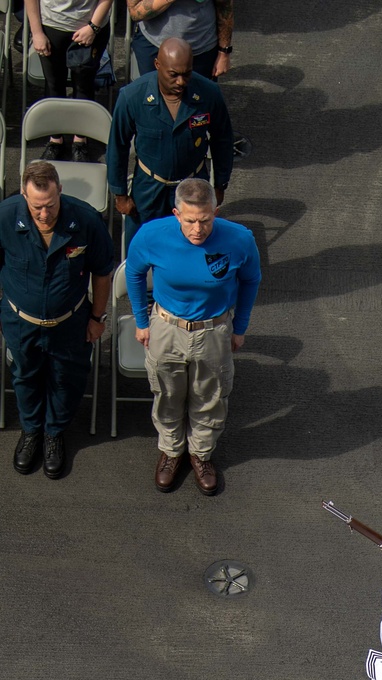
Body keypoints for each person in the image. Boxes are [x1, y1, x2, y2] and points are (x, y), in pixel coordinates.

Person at [126, 176, 260, 495]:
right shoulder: (151, 235)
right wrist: (142, 321)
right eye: (190, 221)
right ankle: (172, 451)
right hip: (166, 327)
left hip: (213, 329)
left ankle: (200, 454)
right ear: (176, 214)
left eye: (205, 220)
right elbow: (133, 272)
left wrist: (239, 328)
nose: (197, 229)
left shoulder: (240, 239)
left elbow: (251, 280)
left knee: (210, 396)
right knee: (168, 394)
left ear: (216, 211)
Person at [0, 161, 114, 479]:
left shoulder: (86, 220)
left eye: (50, 205)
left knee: (68, 378)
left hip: (71, 322)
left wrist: (97, 317)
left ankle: (54, 433)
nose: (44, 215)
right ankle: (31, 431)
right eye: (37, 207)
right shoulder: (5, 217)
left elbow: (102, 273)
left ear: (60, 191)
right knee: (25, 376)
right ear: (24, 194)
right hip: (20, 322)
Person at [107, 38, 234, 250]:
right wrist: (119, 193)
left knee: (195, 246)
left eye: (187, 74)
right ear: (158, 65)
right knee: (141, 248)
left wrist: (220, 184)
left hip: (193, 185)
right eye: (173, 75)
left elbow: (223, 140)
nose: (181, 82)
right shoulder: (132, 96)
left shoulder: (209, 93)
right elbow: (117, 146)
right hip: (149, 189)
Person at [24, 0, 113, 162]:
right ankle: (56, 139)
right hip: (51, 26)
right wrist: (36, 32)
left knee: (84, 86)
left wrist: (93, 27)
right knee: (53, 85)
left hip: (91, 27)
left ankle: (80, 139)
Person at [127, 0, 233, 82]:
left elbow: (225, 6)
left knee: (199, 106)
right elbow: (135, 12)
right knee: (153, 103)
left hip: (201, 49)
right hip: (154, 46)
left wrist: (224, 52)